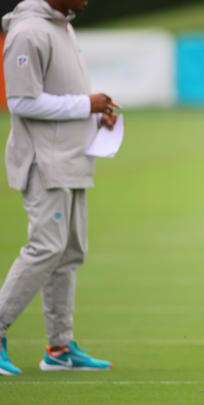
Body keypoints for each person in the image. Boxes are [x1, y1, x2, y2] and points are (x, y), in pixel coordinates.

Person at [0, 0, 117, 375]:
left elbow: (59, 97)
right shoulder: (28, 31)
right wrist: (86, 104)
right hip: (43, 162)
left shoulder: (61, 25)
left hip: (71, 159)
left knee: (68, 253)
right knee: (45, 248)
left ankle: (59, 348)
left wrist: (96, 114)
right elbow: (19, 102)